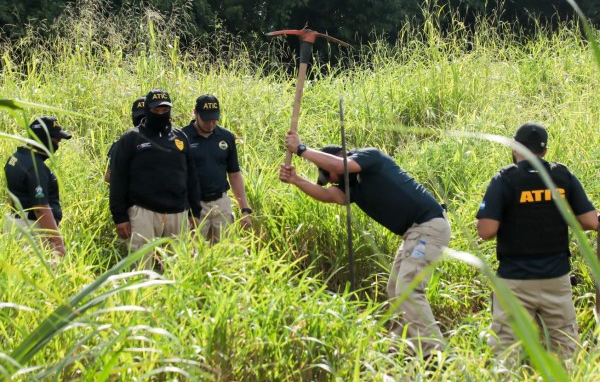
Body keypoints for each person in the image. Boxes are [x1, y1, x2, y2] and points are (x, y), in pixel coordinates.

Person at [279, 130, 450, 359]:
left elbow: (340, 167)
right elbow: (329, 196)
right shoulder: (352, 188)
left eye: (330, 175)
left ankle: (437, 354)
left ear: (340, 158)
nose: (333, 181)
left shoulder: (370, 157)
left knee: (408, 288)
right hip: (413, 233)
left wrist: (301, 149)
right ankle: (405, 348)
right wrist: (296, 180)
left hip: (429, 226)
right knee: (395, 289)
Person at [476, 122, 598, 358]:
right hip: (557, 279)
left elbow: (486, 230)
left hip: (515, 281)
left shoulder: (505, 179)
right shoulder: (562, 176)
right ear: (544, 151)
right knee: (564, 349)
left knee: (506, 352)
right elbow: (592, 223)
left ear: (514, 148)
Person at [109, 89, 202, 269]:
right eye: (156, 110)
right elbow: (118, 179)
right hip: (143, 212)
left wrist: (195, 212)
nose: (161, 114)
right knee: (141, 268)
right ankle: (141, 298)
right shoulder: (131, 138)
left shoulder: (180, 137)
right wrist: (119, 217)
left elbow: (191, 177)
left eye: (164, 110)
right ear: (146, 110)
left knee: (177, 268)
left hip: (178, 213)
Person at [181, 94, 252, 244]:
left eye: (214, 119)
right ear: (195, 113)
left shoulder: (226, 136)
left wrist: (244, 209)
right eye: (206, 119)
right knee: (193, 252)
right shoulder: (182, 137)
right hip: (195, 206)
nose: (211, 124)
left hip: (222, 203)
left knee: (226, 252)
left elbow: (234, 174)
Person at [4, 116, 72, 257]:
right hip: (33, 231)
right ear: (44, 138)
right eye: (56, 139)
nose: (58, 143)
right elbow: (40, 209)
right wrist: (58, 243)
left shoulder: (16, 157)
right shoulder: (36, 167)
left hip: (15, 224)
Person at [104, 97, 145, 183]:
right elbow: (108, 176)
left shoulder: (167, 139)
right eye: (140, 118)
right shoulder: (124, 142)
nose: (143, 122)